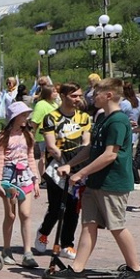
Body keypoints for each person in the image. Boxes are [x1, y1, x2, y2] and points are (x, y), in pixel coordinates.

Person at [47, 79, 140, 279]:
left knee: (116, 226)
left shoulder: (118, 121)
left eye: (96, 92)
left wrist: (81, 173)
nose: (91, 96)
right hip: (96, 182)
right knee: (88, 224)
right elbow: (92, 149)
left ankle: (136, 269)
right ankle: (77, 269)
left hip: (113, 182)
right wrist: (71, 165)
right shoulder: (102, 118)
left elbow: (110, 155)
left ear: (109, 95)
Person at [33, 83, 92, 259]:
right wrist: (63, 162)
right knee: (57, 207)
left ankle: (67, 244)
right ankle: (44, 232)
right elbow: (51, 146)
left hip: (77, 168)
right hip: (56, 168)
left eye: (80, 95)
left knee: (73, 208)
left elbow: (86, 142)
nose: (78, 99)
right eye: (74, 96)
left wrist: (76, 165)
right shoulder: (51, 117)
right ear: (64, 96)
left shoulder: (84, 117)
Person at [0, 101, 41, 267]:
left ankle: (28, 252)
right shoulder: (3, 137)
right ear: (14, 117)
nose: (26, 117)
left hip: (25, 175)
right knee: (11, 215)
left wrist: (35, 178)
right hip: (8, 177)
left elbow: (31, 157)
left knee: (25, 214)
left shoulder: (28, 135)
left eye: (26, 114)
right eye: (23, 115)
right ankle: (6, 249)